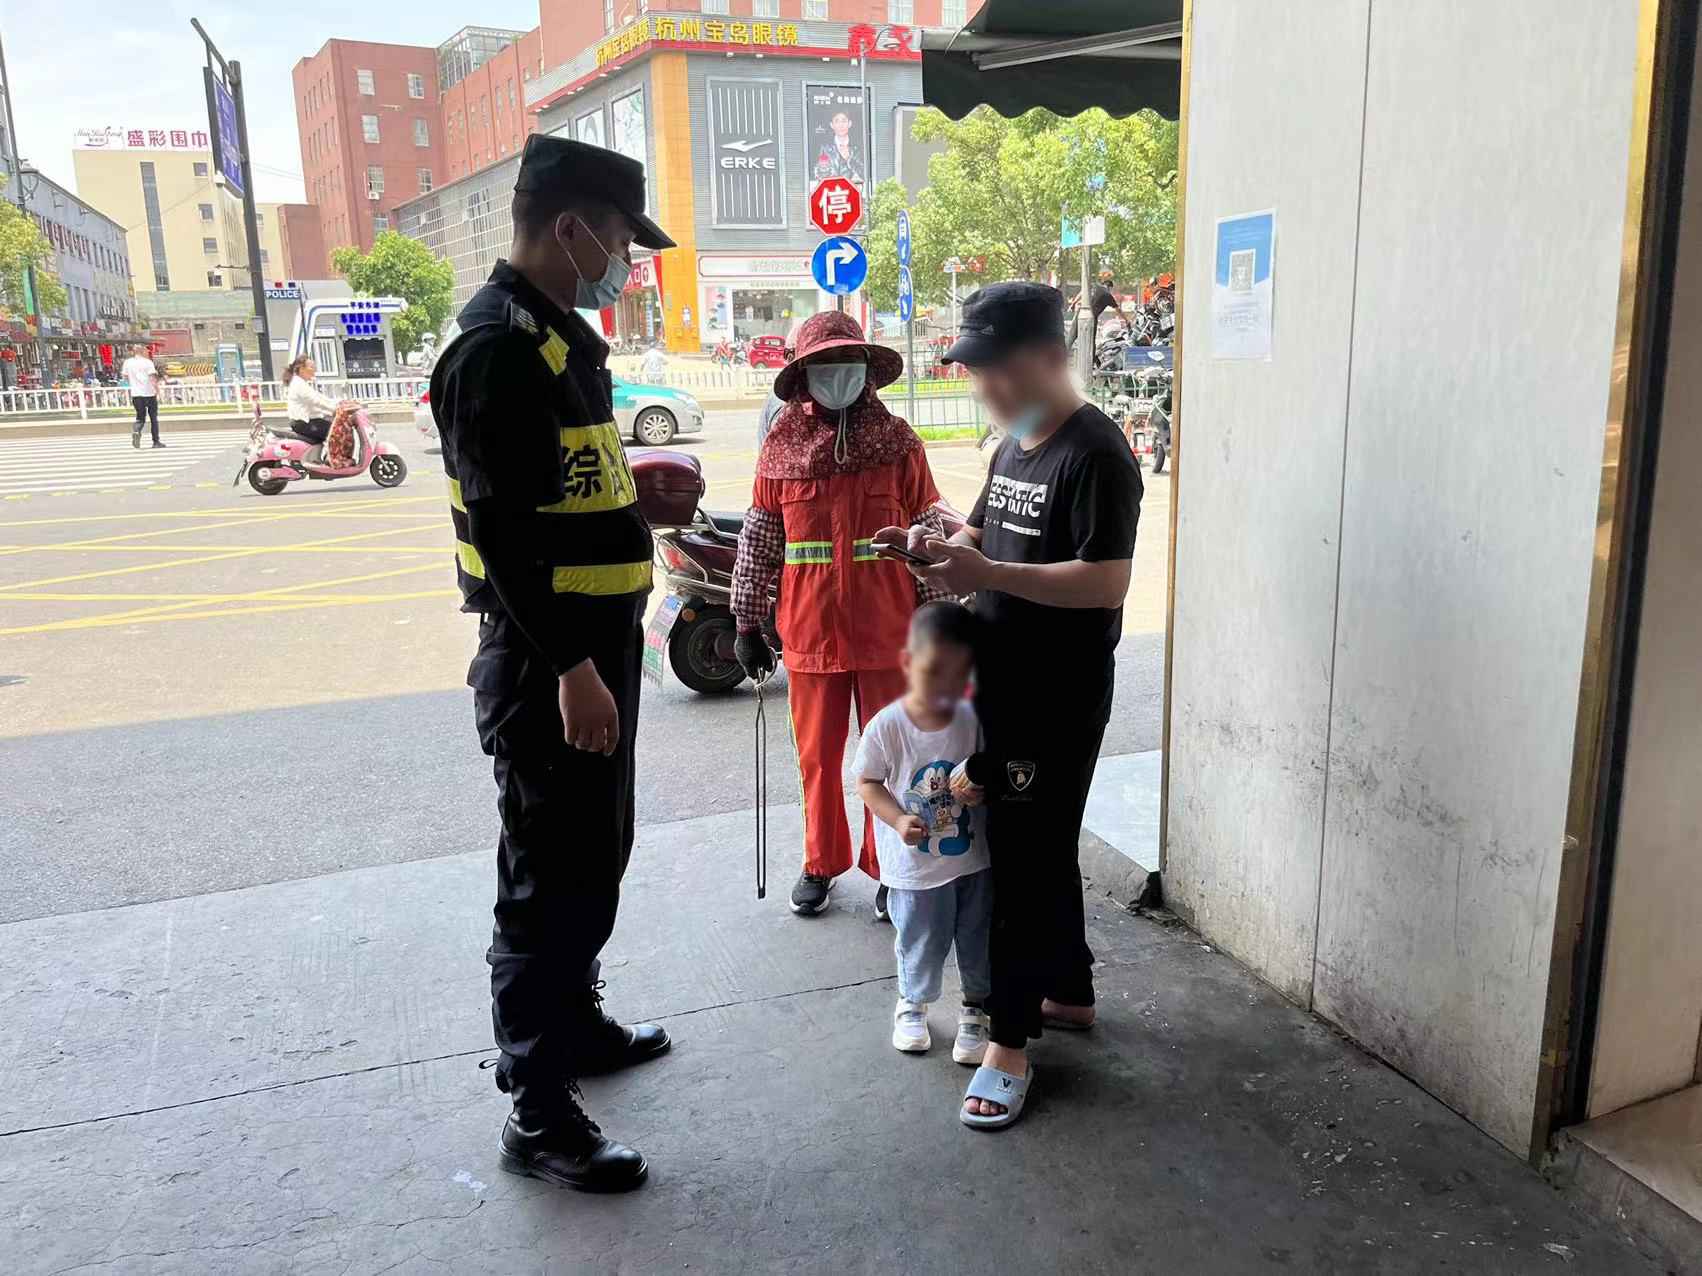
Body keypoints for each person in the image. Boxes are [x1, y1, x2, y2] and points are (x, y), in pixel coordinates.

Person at [429, 134, 676, 1193]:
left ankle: (573, 1021)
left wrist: (637, 501)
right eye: (620, 238)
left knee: (595, 853)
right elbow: (502, 536)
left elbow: (558, 492)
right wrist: (573, 668)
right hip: (548, 664)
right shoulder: (495, 350)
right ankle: (536, 1107)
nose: (627, 260)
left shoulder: (558, 340)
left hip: (595, 651)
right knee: (545, 882)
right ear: (570, 227)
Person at [891, 281, 1143, 1129]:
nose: (985, 388)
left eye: (998, 369)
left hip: (1056, 697)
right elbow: (979, 534)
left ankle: (1007, 1045)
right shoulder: (1017, 444)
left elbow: (1108, 581)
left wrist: (990, 573)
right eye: (976, 372)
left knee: (1021, 862)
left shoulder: (1096, 453)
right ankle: (1067, 990)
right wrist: (933, 547)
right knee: (1040, 844)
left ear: (1050, 357)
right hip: (1001, 684)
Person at [730, 310, 946, 919]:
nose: (836, 373)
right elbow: (759, 543)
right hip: (809, 634)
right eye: (823, 364)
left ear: (867, 370)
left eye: (846, 362)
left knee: (894, 756)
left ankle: (890, 864)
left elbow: (927, 532)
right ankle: (820, 862)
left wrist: (939, 620)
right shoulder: (780, 449)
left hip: (891, 633)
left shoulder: (899, 444)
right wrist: (746, 621)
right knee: (818, 760)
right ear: (802, 375)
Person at [853, 601, 992, 1064]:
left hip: (971, 859)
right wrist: (896, 820)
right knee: (920, 936)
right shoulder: (887, 726)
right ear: (908, 662)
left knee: (977, 934)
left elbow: (985, 773)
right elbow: (867, 782)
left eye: (958, 675)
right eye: (934, 673)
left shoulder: (971, 719)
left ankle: (975, 1008)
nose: (945, 687)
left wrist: (980, 790)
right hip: (915, 866)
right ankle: (912, 1003)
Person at [283, 356, 339, 446]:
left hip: (308, 422)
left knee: (334, 426)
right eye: (311, 367)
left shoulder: (300, 382)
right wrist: (335, 409)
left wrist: (336, 405)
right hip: (304, 424)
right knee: (339, 431)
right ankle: (337, 454)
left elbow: (320, 397)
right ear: (302, 369)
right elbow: (316, 401)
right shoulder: (298, 384)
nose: (314, 370)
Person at [122, 348, 161, 449]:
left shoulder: (127, 363)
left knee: (140, 418)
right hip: (149, 393)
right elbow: (152, 378)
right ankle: (156, 441)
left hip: (136, 394)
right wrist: (157, 391)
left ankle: (137, 430)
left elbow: (125, 378)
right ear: (143, 352)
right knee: (153, 419)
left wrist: (134, 384)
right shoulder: (148, 362)